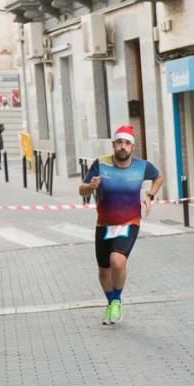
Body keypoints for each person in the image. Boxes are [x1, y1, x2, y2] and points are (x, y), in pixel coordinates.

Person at [78, 125, 163, 325]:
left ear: (132, 146)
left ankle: (116, 300)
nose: (122, 147)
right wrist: (90, 187)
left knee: (118, 261)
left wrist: (150, 195)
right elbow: (81, 189)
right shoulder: (101, 164)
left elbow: (158, 177)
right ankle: (111, 302)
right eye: (119, 143)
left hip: (129, 222)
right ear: (113, 144)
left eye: (127, 143)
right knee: (103, 270)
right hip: (104, 224)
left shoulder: (142, 166)